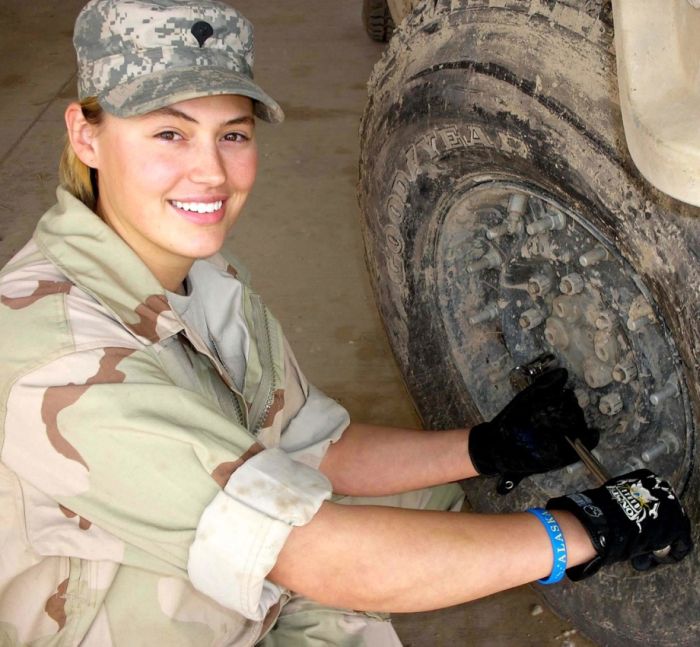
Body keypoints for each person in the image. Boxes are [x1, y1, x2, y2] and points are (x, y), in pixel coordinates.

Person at [0, 0, 692, 645]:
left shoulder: (196, 276)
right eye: (169, 133)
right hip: (122, 621)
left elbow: (313, 448)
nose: (209, 172)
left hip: (228, 574)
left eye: (231, 133)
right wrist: (581, 528)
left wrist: (491, 446)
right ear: (84, 135)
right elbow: (314, 552)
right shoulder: (60, 361)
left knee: (431, 500)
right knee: (373, 552)